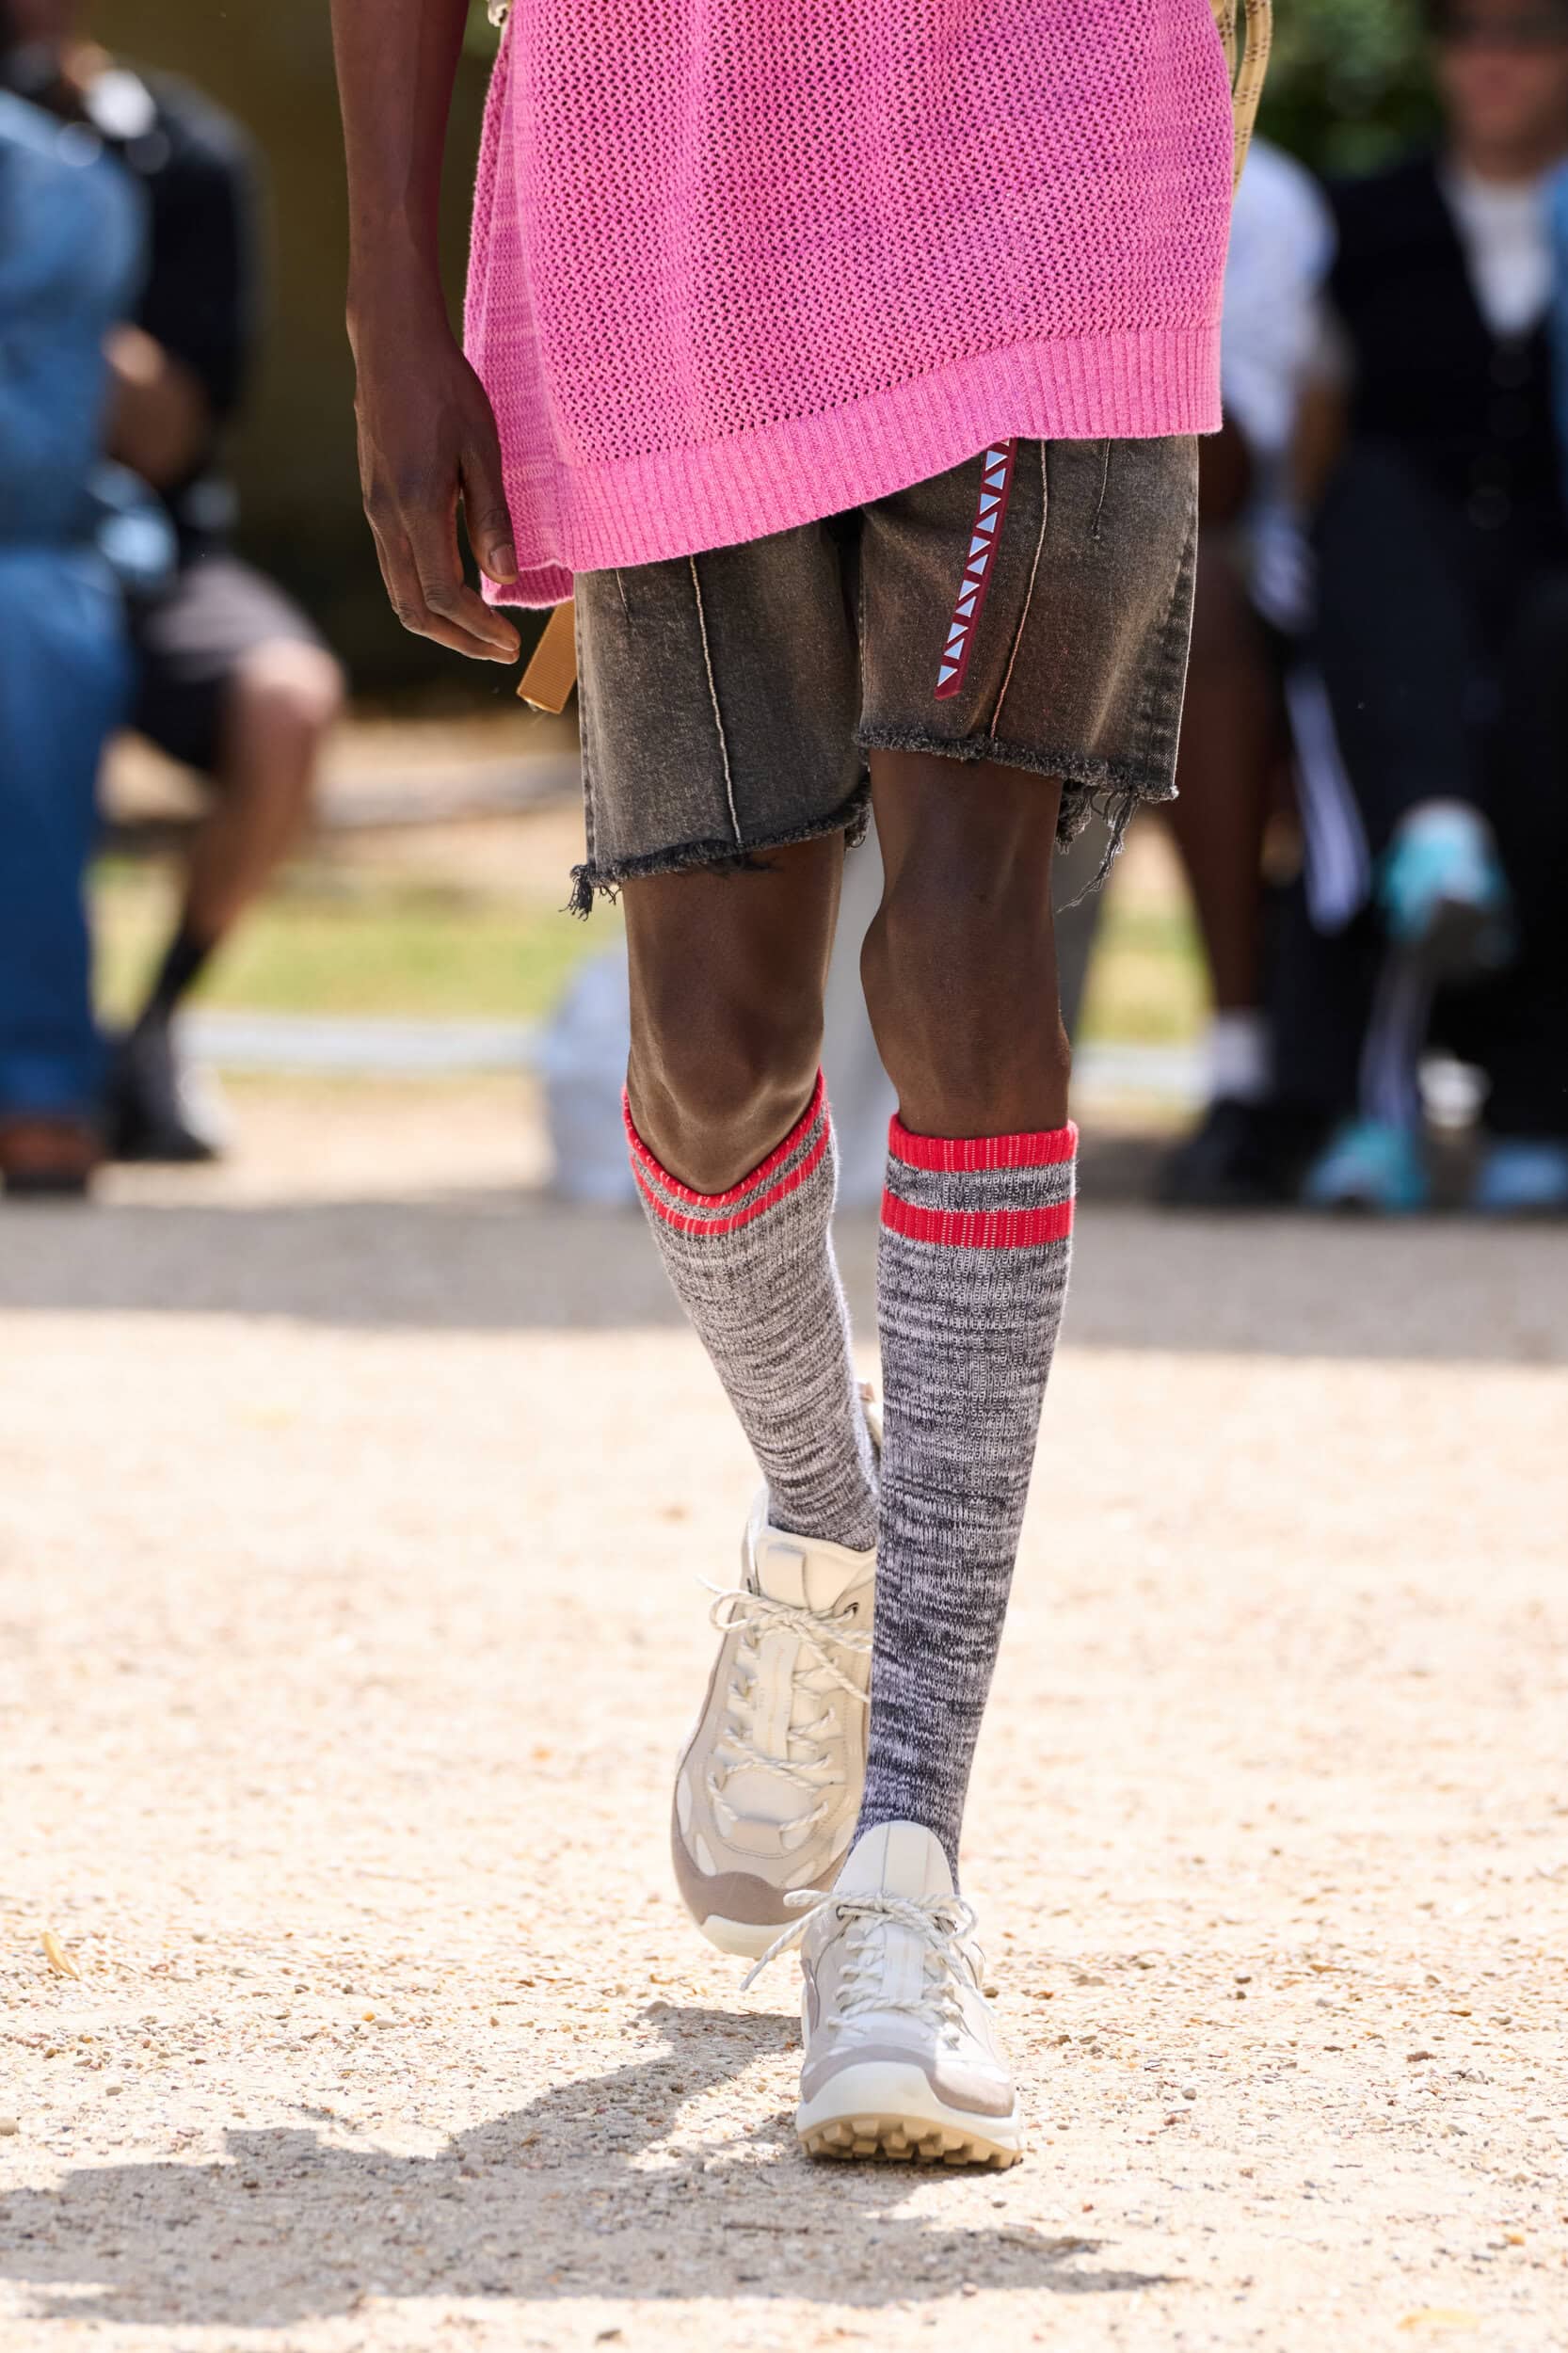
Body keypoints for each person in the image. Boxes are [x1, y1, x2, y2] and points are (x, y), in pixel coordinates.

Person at [331, 0, 1260, 2165]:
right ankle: (825, 1522)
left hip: (1054, 160)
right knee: (714, 1054)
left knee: (966, 944)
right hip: (651, 208)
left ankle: (905, 1865)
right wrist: (391, 312)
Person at [2, 2, 345, 1163]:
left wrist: (50, 280)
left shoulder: (172, 156)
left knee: (283, 700)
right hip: (37, 556)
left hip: (140, 544)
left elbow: (166, 438)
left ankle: (143, 1035)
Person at [1298, 0, 1568, 1213]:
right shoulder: (1361, 221)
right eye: (1467, 28)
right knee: (1366, 519)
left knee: (1551, 666)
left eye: (1529, 29)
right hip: (1399, 572)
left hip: (1550, 571)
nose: (1494, 58)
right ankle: (1435, 838)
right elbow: (1315, 437)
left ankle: (1535, 1102)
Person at [1159, 136, 1343, 1208]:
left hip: (1209, 558)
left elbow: (1219, 471)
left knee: (1198, 611)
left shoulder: (1255, 191)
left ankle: (1242, 1061)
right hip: (974, 545)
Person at [0, 84, 140, 1196]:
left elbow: (34, 466)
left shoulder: (48, 188)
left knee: (29, 620)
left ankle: (36, 1077)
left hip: (21, 541)